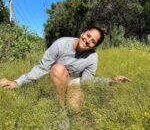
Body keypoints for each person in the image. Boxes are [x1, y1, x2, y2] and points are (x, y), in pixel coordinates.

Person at [0, 27, 130, 113]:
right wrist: (17, 82)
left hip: (74, 82)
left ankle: (68, 100)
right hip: (57, 77)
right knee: (58, 68)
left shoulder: (92, 57)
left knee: (75, 109)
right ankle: (60, 111)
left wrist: (111, 81)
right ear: (82, 33)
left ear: (94, 46)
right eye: (88, 35)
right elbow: (42, 67)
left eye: (92, 41)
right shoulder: (61, 43)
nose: (87, 40)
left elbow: (87, 81)